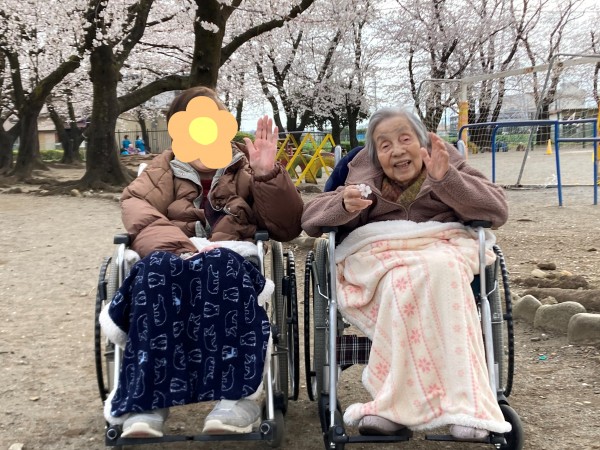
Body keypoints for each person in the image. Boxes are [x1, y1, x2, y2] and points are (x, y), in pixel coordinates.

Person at [100, 86, 304, 439]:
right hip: (172, 254)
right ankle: (146, 401)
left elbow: (286, 227)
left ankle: (236, 398)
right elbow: (138, 211)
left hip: (231, 257)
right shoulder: (159, 172)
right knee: (154, 271)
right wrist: (184, 250)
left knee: (222, 265)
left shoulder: (247, 166)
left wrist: (267, 175)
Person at [302, 107, 511, 440]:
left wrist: (447, 180)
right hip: (382, 257)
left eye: (404, 139)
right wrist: (343, 205)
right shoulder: (358, 173)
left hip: (441, 249)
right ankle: (394, 405)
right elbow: (310, 219)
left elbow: (497, 209)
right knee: (402, 281)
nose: (397, 150)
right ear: (375, 155)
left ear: (422, 140)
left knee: (440, 269)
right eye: (384, 145)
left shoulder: (445, 159)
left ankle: (461, 408)